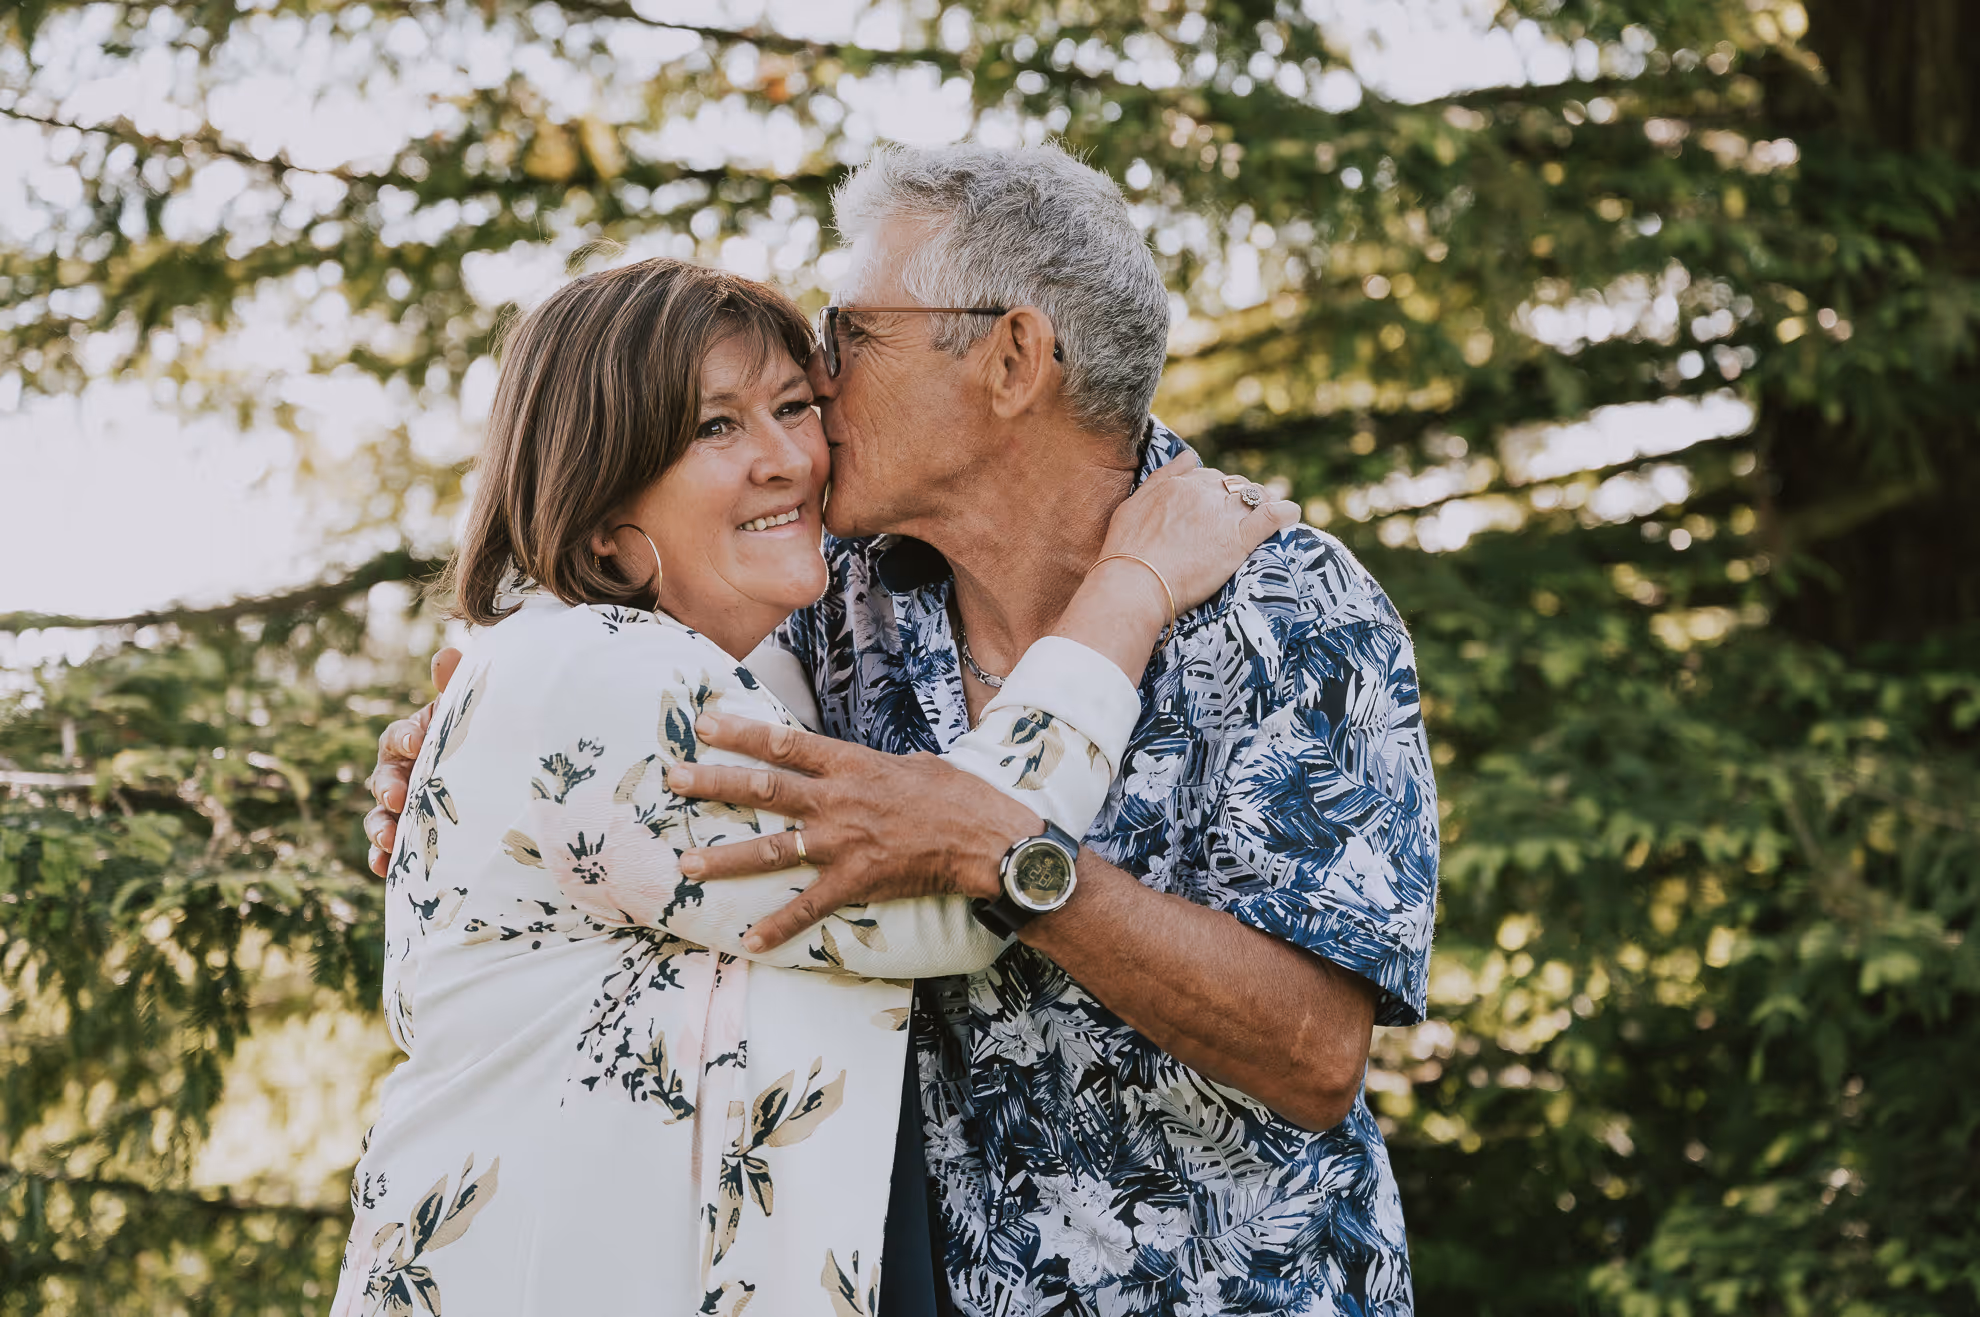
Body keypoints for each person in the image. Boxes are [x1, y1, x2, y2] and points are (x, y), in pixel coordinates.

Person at [371, 143, 1440, 1315]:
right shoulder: (836, 596)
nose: (821, 387)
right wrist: (465, 746)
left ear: (1012, 358)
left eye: (852, 335)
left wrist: (1020, 868)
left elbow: (1314, 1056)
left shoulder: (1285, 606)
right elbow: (623, 679)